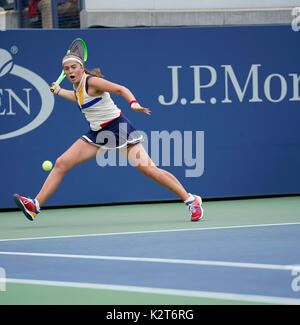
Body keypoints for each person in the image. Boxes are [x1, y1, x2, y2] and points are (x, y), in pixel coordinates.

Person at [13, 53, 203, 222]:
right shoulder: (78, 87)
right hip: (98, 134)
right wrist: (60, 91)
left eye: (73, 67)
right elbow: (79, 98)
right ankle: (35, 205)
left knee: (149, 170)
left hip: (118, 129)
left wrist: (134, 103)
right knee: (62, 163)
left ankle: (190, 200)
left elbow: (121, 88)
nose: (70, 71)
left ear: (81, 68)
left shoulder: (92, 82)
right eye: (66, 69)